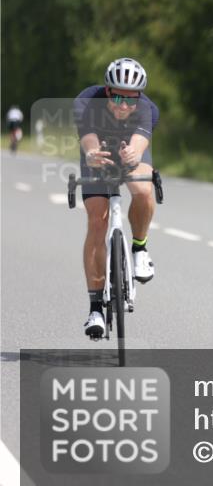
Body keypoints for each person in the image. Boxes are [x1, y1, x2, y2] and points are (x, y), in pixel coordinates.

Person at [74, 58, 159, 339]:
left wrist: (133, 153)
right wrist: (91, 154)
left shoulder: (146, 109)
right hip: (98, 154)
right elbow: (87, 138)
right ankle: (95, 308)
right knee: (97, 222)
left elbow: (140, 142)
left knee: (144, 188)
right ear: (107, 91)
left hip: (129, 151)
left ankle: (139, 249)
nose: (124, 106)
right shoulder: (87, 101)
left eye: (131, 100)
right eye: (118, 97)